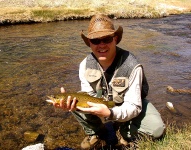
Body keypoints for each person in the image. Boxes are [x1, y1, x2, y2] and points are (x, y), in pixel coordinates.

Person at [52, 14, 165, 149]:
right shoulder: (84, 65)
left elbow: (134, 106)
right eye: (95, 41)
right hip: (102, 103)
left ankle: (124, 132)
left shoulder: (133, 66)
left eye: (106, 39)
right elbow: (88, 96)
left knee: (157, 129)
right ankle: (97, 133)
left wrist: (110, 113)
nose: (101, 45)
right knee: (75, 100)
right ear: (89, 43)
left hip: (130, 105)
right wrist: (74, 105)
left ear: (115, 39)